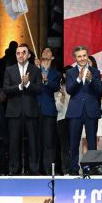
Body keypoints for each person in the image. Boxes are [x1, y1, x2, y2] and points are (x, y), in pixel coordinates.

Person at [2, 43, 42, 175]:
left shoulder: (35, 70)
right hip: (14, 112)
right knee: (14, 143)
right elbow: (6, 89)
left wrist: (28, 84)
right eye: (18, 53)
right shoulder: (9, 70)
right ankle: (14, 169)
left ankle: (34, 169)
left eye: (23, 52)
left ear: (29, 55)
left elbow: (39, 90)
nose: (20, 55)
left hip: (31, 111)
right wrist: (20, 86)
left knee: (33, 143)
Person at [66, 46, 102, 174]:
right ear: (75, 58)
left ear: (87, 56)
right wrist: (78, 79)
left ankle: (92, 169)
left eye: (84, 56)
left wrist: (90, 80)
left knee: (92, 142)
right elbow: (69, 90)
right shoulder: (71, 73)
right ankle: (74, 169)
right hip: (75, 112)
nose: (82, 58)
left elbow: (99, 90)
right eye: (79, 56)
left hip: (91, 111)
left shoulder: (95, 72)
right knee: (73, 142)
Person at [37, 47, 62, 175]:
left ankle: (48, 169)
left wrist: (46, 80)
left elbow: (56, 87)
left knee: (48, 141)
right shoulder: (34, 69)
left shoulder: (56, 73)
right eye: (44, 51)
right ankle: (35, 168)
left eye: (48, 51)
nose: (46, 52)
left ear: (52, 57)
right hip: (34, 110)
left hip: (49, 110)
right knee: (35, 141)